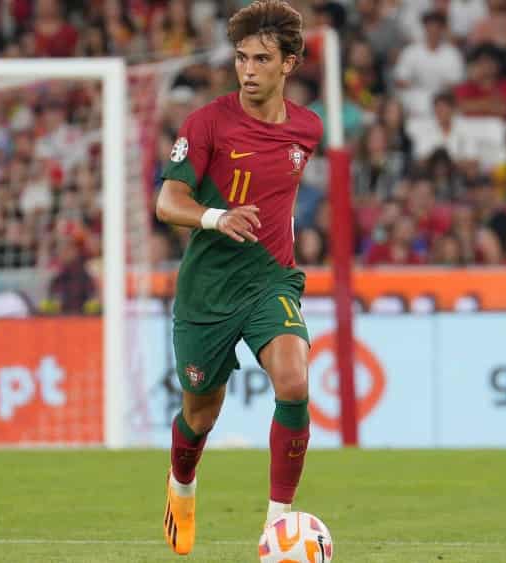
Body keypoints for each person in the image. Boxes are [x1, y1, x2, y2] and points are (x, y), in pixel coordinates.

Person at [154, 0, 322, 556]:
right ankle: (182, 484)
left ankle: (278, 525)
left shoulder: (307, 129)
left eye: (262, 59)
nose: (248, 70)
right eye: (242, 58)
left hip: (270, 280)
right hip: (207, 291)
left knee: (293, 382)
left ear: (288, 64)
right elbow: (167, 201)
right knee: (200, 412)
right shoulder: (207, 123)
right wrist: (215, 217)